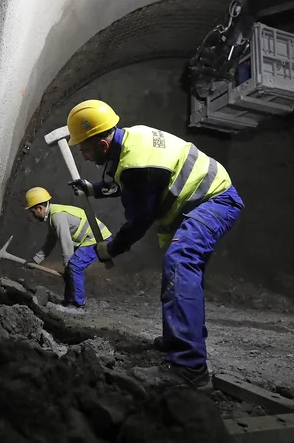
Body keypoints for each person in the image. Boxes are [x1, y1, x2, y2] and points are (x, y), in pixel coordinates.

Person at [65, 99, 244, 388]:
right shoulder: (132, 141)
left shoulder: (138, 164)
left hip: (214, 200)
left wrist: (109, 248)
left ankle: (189, 369)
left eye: (83, 148)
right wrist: (93, 189)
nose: (83, 156)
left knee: (180, 261)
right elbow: (129, 182)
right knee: (185, 271)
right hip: (204, 200)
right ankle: (180, 340)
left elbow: (138, 220)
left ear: (102, 144)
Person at [24, 186, 112, 310]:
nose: (33, 215)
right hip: (88, 239)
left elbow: (66, 243)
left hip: (97, 239)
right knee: (70, 268)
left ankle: (79, 304)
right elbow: (51, 241)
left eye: (33, 212)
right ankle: (69, 300)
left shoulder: (57, 216)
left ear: (40, 208)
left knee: (73, 267)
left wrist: (67, 266)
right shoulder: (53, 215)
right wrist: (36, 260)